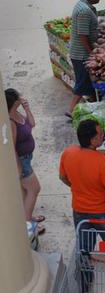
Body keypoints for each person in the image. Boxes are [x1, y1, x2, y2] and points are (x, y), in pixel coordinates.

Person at [59, 120, 105, 293]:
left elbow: (63, 177)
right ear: (92, 140)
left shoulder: (68, 153)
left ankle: (85, 284)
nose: (103, 135)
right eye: (100, 134)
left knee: (84, 250)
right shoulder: (103, 162)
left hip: (80, 212)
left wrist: (79, 189)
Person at [5, 88, 45, 234]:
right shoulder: (10, 122)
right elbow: (12, 148)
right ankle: (27, 226)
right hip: (22, 162)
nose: (22, 97)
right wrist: (19, 168)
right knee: (34, 189)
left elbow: (32, 124)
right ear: (14, 101)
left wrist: (27, 109)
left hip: (27, 158)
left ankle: (27, 217)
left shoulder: (17, 113)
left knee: (25, 192)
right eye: (19, 97)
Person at [67, 0, 102, 117]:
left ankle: (95, 103)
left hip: (80, 52)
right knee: (82, 82)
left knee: (88, 80)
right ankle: (70, 110)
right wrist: (91, 52)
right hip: (81, 54)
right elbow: (82, 35)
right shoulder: (85, 11)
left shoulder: (82, 5)